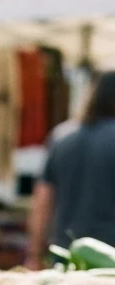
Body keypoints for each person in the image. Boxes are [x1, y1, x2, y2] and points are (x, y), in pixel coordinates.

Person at [28, 71, 115, 268]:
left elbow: (43, 201)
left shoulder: (62, 136)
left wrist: (34, 253)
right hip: (111, 257)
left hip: (66, 255)